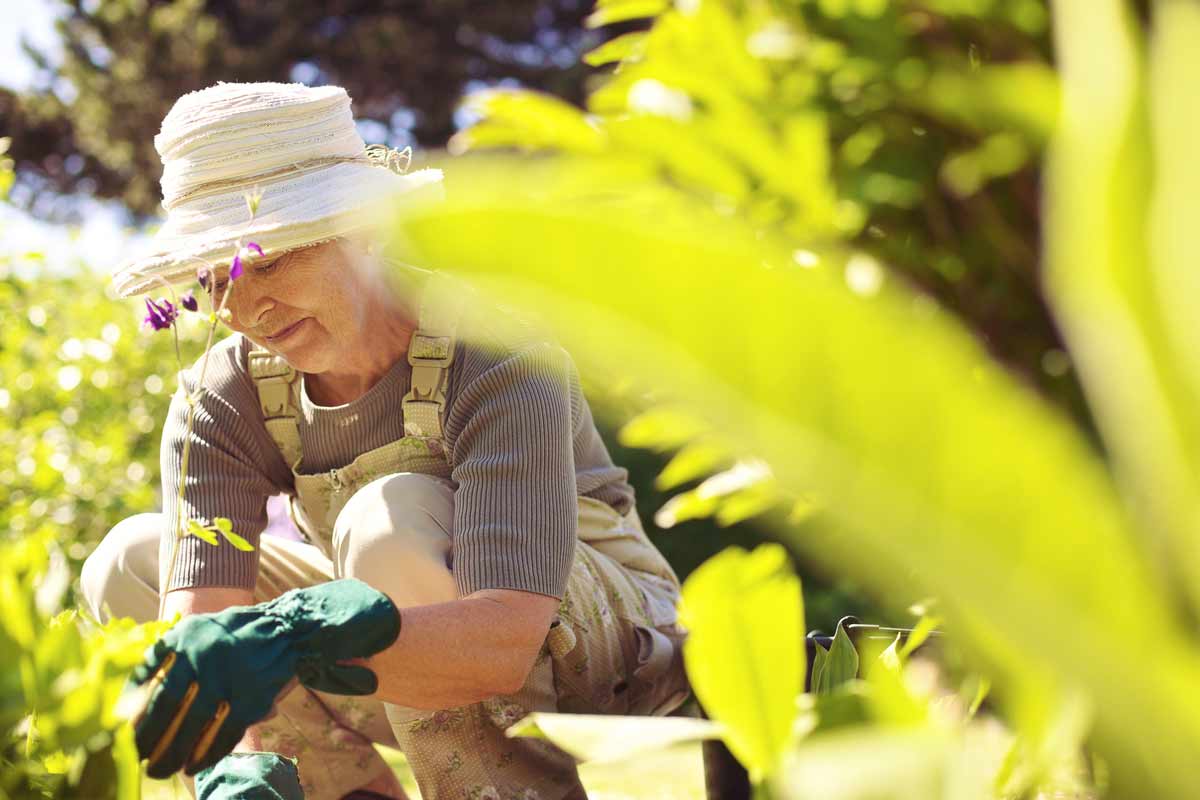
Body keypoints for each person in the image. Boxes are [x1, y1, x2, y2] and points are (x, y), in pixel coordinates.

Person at [81, 82, 690, 800]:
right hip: (396, 661)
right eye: (216, 282)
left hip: (598, 652)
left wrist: (292, 639)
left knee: (388, 522)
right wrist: (231, 756)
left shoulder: (496, 353)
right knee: (131, 561)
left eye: (267, 262)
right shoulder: (222, 394)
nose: (247, 308)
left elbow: (504, 641)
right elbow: (201, 634)